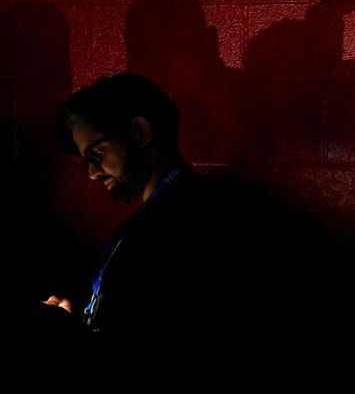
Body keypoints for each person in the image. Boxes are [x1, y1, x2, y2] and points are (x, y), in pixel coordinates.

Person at [47, 72, 273, 352]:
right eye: (86, 162)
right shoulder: (160, 213)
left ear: (140, 133)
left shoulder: (198, 217)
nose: (92, 173)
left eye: (97, 154)